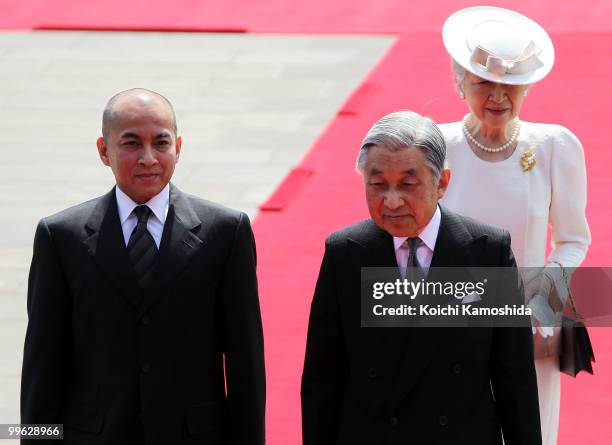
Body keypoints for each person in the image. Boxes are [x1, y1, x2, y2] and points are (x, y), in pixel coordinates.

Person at [20, 88, 265, 445]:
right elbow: (42, 366)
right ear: (104, 151)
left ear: (178, 147)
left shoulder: (225, 233)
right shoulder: (60, 237)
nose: (148, 158)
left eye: (161, 143)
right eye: (131, 143)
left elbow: (246, 365)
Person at [301, 110, 541, 445]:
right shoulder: (346, 252)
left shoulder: (486, 250)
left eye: (408, 184)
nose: (392, 201)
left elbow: (513, 375)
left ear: (441, 182)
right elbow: (322, 378)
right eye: (378, 184)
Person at [440, 7, 591, 444]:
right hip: (451, 320)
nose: (498, 96)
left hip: (528, 324)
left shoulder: (554, 147)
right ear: (461, 82)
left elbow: (573, 239)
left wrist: (542, 299)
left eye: (511, 84)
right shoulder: (435, 145)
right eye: (484, 82)